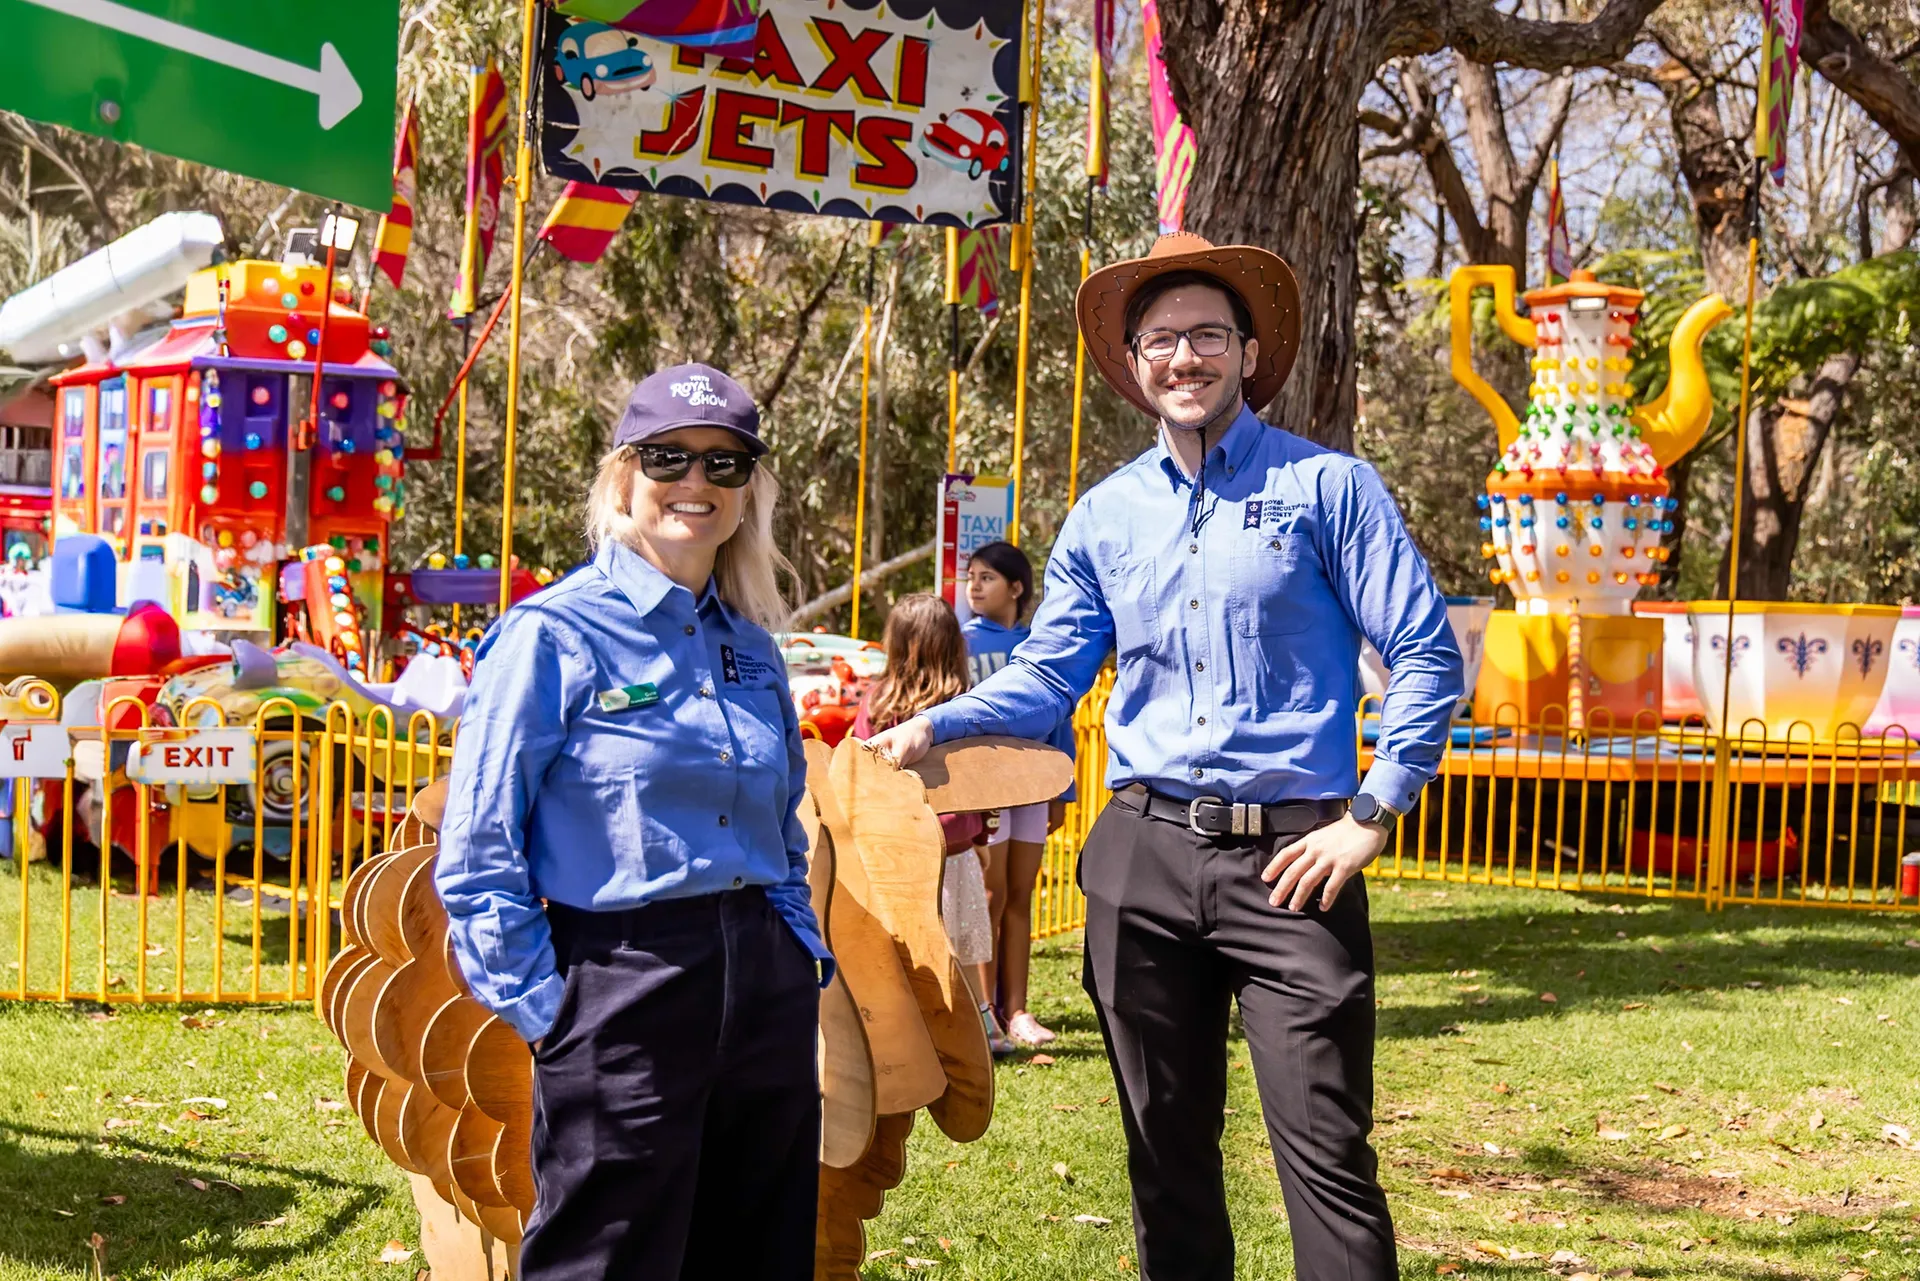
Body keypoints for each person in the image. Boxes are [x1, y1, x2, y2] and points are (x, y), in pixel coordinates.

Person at [864, 233, 1465, 1281]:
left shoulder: (1330, 489)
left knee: (1326, 1154)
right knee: (1164, 1156)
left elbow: (1422, 653)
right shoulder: (1104, 516)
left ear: (1244, 350)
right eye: (1161, 341)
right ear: (1132, 362)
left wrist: (1369, 815)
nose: (1183, 358)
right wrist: (936, 724)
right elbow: (1051, 676)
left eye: (1205, 336)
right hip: (1142, 857)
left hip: (1295, 858)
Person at [436, 364, 832, 1281]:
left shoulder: (752, 647)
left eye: (724, 465)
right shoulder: (552, 636)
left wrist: (797, 952)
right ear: (625, 476)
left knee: (759, 1252)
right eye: (669, 458)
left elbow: (781, 827)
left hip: (763, 986)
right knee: (605, 1259)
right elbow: (479, 853)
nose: (695, 483)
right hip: (621, 985)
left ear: (747, 494)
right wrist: (554, 1017)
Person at [849, 593, 1005, 1053]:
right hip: (955, 846)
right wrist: (981, 834)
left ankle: (909, 1030)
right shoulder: (964, 706)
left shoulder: (878, 704)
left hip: (899, 851)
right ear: (952, 644)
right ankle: (982, 1029)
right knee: (959, 946)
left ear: (897, 645)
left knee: (907, 947)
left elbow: (860, 768)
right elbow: (983, 779)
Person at [960, 540, 1074, 1047]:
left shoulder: (1037, 645)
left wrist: (1061, 793)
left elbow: (1060, 719)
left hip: (1033, 785)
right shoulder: (959, 640)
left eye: (987, 577)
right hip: (982, 786)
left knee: (1020, 895)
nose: (975, 586)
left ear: (1016, 587)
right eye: (971, 576)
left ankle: (1019, 1011)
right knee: (990, 893)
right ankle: (983, 1011)